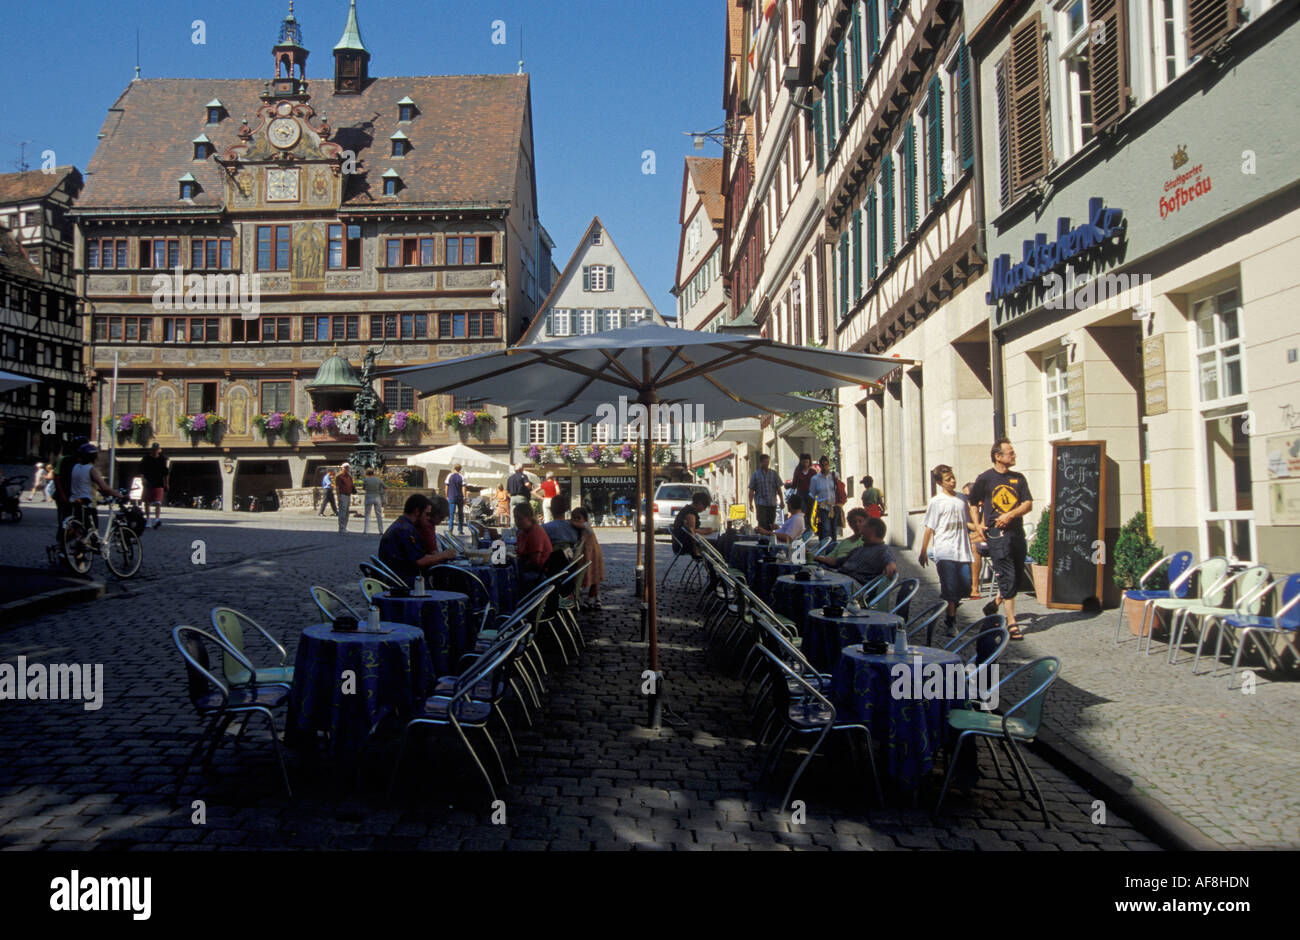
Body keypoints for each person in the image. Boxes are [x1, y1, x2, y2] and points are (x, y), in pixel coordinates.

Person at [969, 438, 1033, 640]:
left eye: (1013, 452)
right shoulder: (986, 479)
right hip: (996, 534)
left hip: (1017, 533)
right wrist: (978, 524)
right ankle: (1012, 622)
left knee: (1016, 575)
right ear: (998, 457)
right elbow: (972, 503)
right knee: (1007, 574)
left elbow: (1028, 504)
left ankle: (996, 602)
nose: (1014, 455)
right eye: (1010, 452)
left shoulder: (1019, 478)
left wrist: (1010, 515)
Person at [918, 465, 976, 634]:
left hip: (962, 549)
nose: (953, 481)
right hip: (944, 550)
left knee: (965, 586)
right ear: (939, 483)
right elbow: (929, 527)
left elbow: (966, 522)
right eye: (948, 479)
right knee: (951, 588)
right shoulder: (936, 501)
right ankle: (951, 621)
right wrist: (923, 550)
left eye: (953, 477)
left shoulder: (961, 499)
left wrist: (980, 528)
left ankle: (950, 604)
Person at [378, 493, 458, 586]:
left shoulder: (403, 525)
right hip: (402, 581)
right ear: (417, 512)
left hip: (398, 576)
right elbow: (420, 561)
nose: (428, 518)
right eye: (427, 514)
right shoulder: (405, 530)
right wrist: (444, 555)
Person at [68, 443, 119, 539]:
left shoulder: (75, 467)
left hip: (75, 502)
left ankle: (77, 550)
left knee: (80, 528)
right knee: (93, 531)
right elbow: (104, 487)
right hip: (88, 504)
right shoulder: (91, 469)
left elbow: (87, 483)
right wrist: (119, 495)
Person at [826, 517, 898, 584]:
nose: (861, 531)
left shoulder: (883, 549)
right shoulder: (859, 549)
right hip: (839, 577)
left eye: (864, 527)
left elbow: (890, 561)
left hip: (853, 586)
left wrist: (891, 565)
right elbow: (838, 562)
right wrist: (816, 558)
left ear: (871, 530)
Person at [570, 507, 606, 610]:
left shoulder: (586, 525)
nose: (576, 519)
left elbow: (578, 524)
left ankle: (591, 598)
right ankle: (595, 598)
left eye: (578, 517)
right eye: (574, 517)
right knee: (589, 575)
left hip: (592, 554)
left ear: (585, 519)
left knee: (593, 576)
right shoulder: (579, 528)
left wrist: (568, 521)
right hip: (585, 554)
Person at [514, 501, 554, 590]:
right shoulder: (523, 533)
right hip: (533, 571)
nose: (516, 522)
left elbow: (534, 562)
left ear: (529, 517)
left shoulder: (535, 532)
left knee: (512, 580)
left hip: (541, 574)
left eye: (519, 519)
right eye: (515, 518)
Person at [670, 491, 714, 558]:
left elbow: (691, 530)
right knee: (716, 544)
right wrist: (706, 531)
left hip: (680, 543)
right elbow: (691, 531)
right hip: (685, 545)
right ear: (699, 503)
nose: (705, 509)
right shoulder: (690, 513)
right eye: (704, 506)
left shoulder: (687, 510)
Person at [748, 454, 783, 531]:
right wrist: (750, 503)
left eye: (767, 462)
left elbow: (779, 489)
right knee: (762, 523)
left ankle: (770, 539)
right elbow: (751, 490)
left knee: (771, 524)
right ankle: (763, 540)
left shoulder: (774, 474)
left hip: (772, 503)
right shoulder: (756, 474)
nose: (766, 464)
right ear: (761, 463)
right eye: (764, 462)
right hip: (761, 503)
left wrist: (782, 501)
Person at [139, 443, 168, 529]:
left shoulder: (163, 459)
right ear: (151, 450)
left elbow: (166, 473)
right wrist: (142, 479)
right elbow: (141, 471)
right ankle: (148, 520)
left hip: (159, 482)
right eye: (154, 449)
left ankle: (156, 519)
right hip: (148, 482)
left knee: (158, 502)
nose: (155, 451)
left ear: (159, 450)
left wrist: (167, 483)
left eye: (157, 449)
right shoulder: (146, 459)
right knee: (147, 502)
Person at [962, 482, 982, 600]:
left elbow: (981, 528)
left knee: (973, 546)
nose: (966, 499)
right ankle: (963, 582)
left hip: (991, 537)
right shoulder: (968, 506)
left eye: (967, 496)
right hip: (977, 535)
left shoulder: (984, 505)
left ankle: (974, 588)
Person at [808, 456, 837, 539]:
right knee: (826, 529)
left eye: (826, 465)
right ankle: (827, 548)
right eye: (822, 465)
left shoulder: (834, 476)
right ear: (820, 466)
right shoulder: (815, 479)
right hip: (823, 507)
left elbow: (838, 489)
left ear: (828, 465)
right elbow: (812, 494)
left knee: (833, 529)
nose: (824, 467)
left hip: (834, 506)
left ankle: (834, 548)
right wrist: (810, 510)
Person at [362, 466, 386, 535]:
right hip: (377, 497)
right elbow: (385, 487)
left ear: (367, 473)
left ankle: (366, 530)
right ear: (373, 473)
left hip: (369, 497)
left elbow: (364, 488)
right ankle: (381, 530)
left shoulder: (366, 480)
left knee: (367, 514)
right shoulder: (378, 479)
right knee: (378, 514)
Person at [334, 462, 356, 534]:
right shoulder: (339, 477)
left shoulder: (349, 477)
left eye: (348, 468)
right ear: (342, 468)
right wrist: (338, 497)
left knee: (347, 512)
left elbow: (351, 485)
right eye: (345, 467)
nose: (347, 469)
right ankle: (341, 527)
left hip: (348, 495)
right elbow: (337, 487)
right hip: (342, 495)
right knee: (342, 512)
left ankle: (345, 527)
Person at [445, 463, 465, 533]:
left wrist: (446, 495)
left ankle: (450, 529)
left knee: (451, 513)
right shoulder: (462, 477)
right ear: (460, 469)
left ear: (454, 468)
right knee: (460, 514)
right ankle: (460, 529)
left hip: (451, 496)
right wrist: (464, 497)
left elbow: (446, 486)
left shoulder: (449, 476)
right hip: (459, 497)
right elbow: (463, 487)